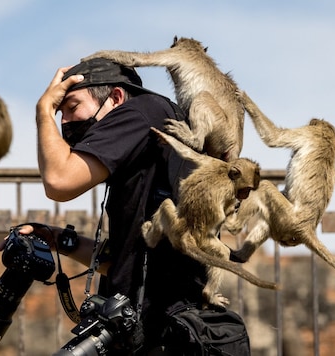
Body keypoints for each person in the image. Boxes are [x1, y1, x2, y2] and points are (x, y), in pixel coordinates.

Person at [13, 58, 237, 354]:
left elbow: (58, 181)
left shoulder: (142, 112)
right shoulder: (146, 144)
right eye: (58, 111)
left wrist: (43, 111)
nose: (64, 121)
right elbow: (125, 263)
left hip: (170, 332)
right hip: (155, 326)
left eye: (72, 107)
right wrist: (58, 239)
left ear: (116, 98)